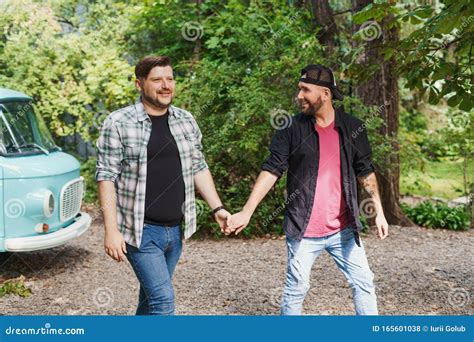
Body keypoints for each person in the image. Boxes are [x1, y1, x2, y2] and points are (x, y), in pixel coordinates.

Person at [227, 64, 388, 315]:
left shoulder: (352, 127)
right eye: (299, 89)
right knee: (297, 287)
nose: (298, 95)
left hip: (344, 229)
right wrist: (247, 212)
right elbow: (272, 169)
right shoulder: (291, 129)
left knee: (364, 282)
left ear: (325, 94)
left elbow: (365, 171)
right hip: (302, 228)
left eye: (305, 90)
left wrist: (379, 211)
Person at [96, 56, 230, 315]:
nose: (166, 85)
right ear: (139, 84)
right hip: (140, 232)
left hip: (175, 232)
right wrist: (111, 231)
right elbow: (106, 176)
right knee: (163, 303)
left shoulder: (185, 120)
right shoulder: (118, 122)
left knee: (149, 302)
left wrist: (217, 209)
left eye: (170, 79)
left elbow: (198, 167)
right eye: (157, 80)